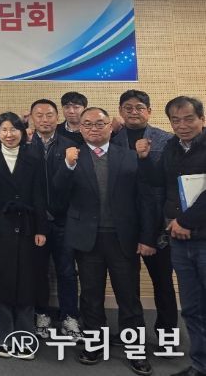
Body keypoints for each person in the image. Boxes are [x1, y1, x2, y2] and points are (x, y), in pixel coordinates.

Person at [54, 107, 155, 376]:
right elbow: (57, 198)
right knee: (90, 296)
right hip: (88, 239)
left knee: (129, 297)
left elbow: (144, 200)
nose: (93, 129)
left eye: (99, 123)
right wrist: (67, 166)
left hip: (123, 239)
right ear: (80, 128)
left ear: (110, 126)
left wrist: (147, 237)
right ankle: (94, 345)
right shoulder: (72, 157)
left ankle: (135, 350)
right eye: (87, 124)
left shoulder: (129, 156)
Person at [136, 96, 206, 376]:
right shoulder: (171, 147)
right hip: (179, 238)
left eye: (189, 119)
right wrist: (143, 160)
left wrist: (186, 221)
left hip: (200, 236)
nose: (182, 125)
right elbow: (159, 182)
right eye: (175, 120)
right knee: (191, 308)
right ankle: (200, 366)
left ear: (202, 119)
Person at [0, 112, 47, 359]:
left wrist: (41, 229)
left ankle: (24, 337)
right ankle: (4, 338)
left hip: (26, 225)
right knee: (0, 284)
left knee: (26, 284)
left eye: (14, 129)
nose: (9, 134)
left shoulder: (33, 156)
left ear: (22, 133)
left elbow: (40, 195)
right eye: (3, 129)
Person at [111, 90, 178, 340]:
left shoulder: (166, 139)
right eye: (127, 108)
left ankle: (167, 333)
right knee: (127, 284)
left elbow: (167, 183)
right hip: (124, 223)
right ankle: (131, 333)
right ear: (120, 111)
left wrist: (145, 159)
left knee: (163, 282)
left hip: (158, 223)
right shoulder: (112, 140)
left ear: (149, 111)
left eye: (139, 107)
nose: (133, 112)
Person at [27, 99, 83, 341]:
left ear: (57, 117)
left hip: (64, 219)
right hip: (35, 220)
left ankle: (70, 316)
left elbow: (76, 184)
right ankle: (42, 313)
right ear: (32, 119)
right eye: (39, 115)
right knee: (38, 270)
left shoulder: (70, 146)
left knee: (67, 270)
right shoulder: (25, 146)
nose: (44, 119)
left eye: (49, 114)